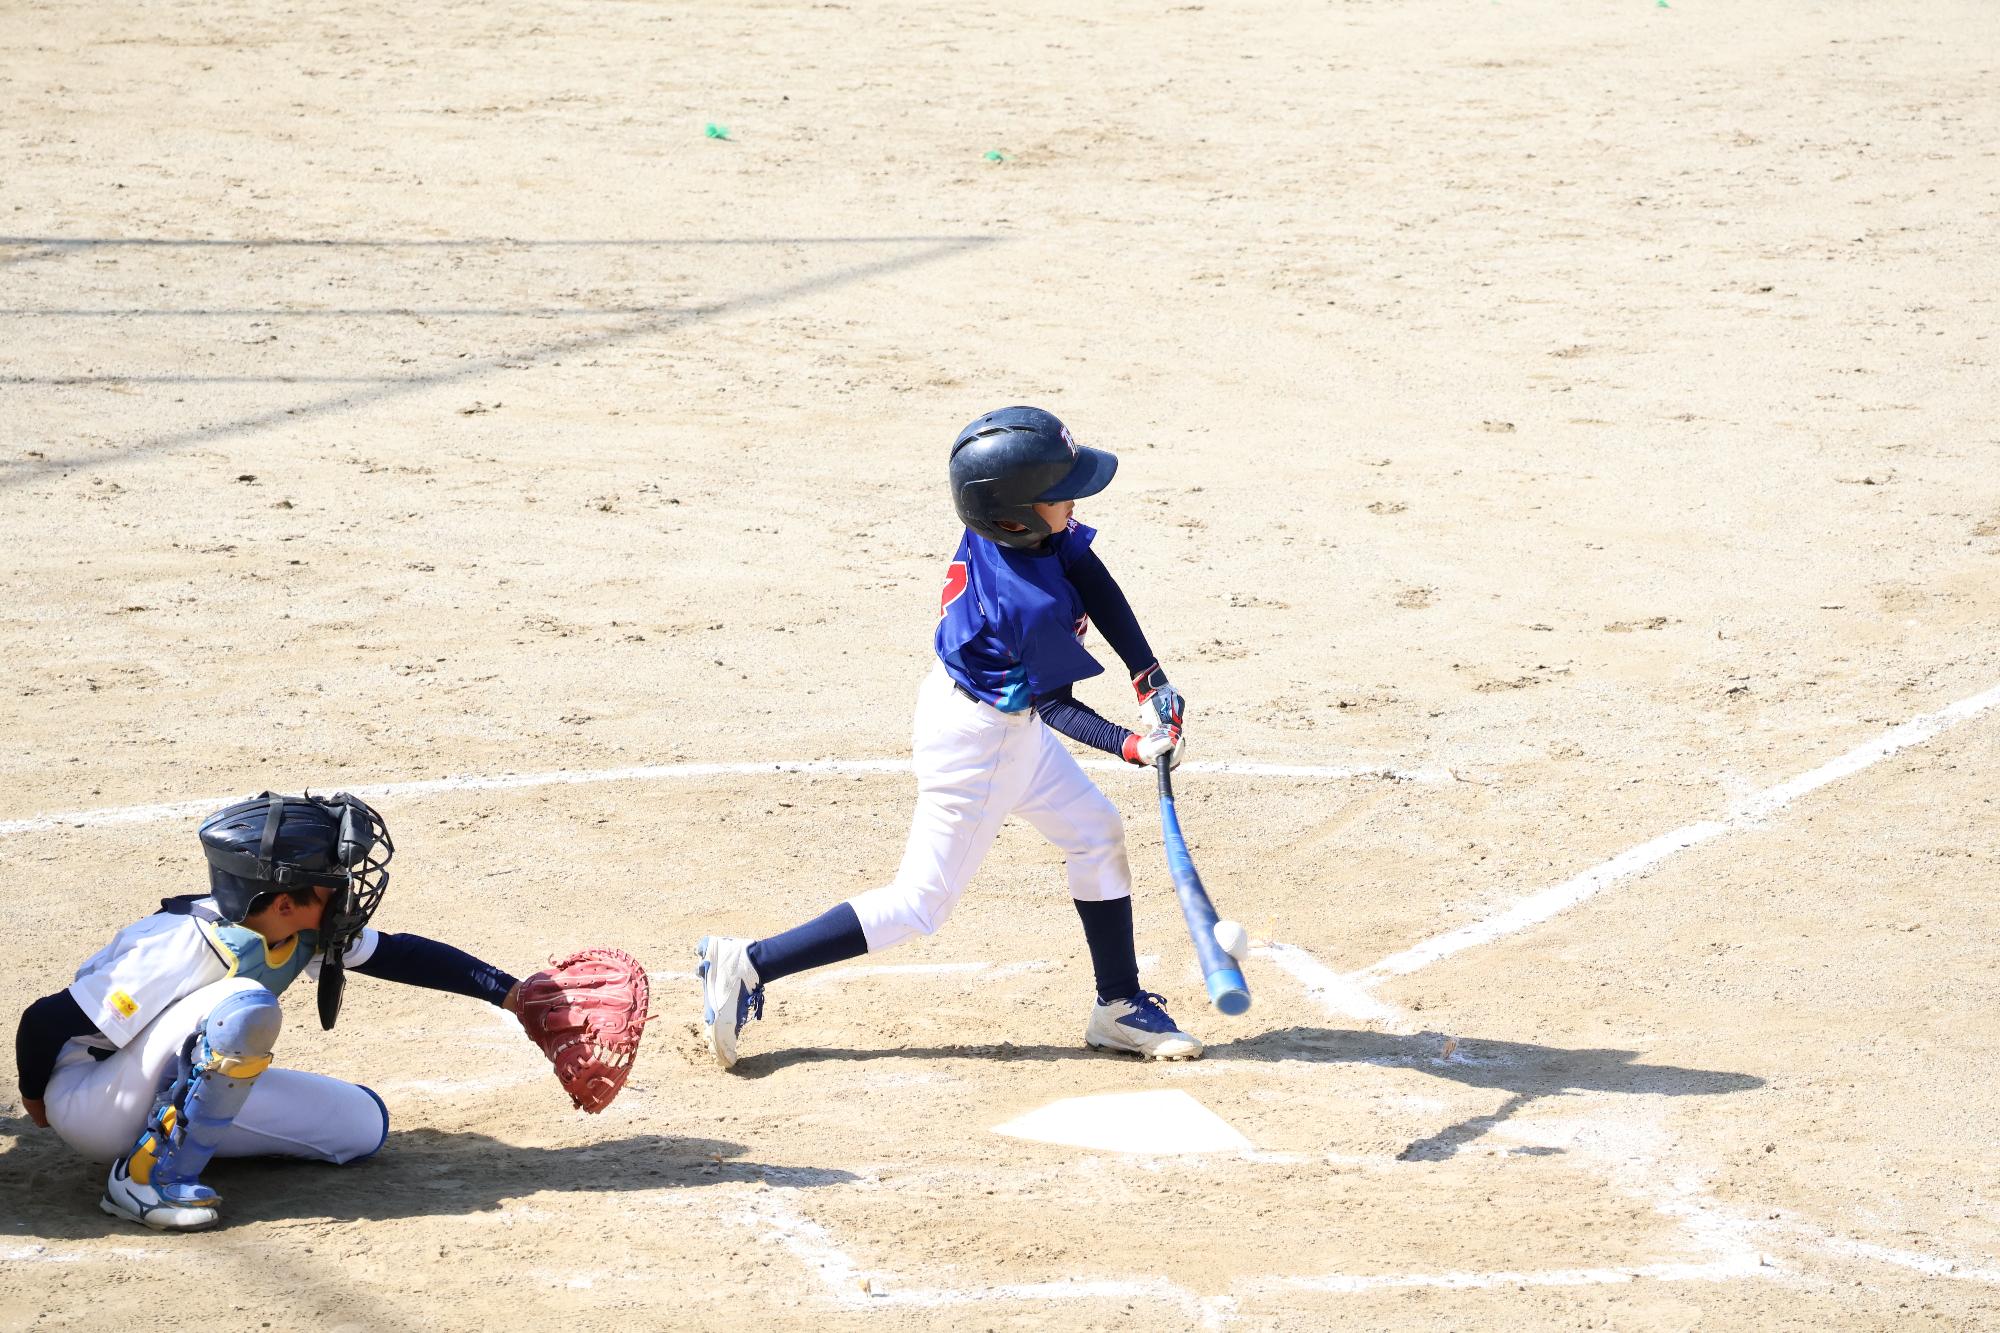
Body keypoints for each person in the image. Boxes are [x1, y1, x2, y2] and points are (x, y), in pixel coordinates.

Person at [697, 405, 1198, 1068]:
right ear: (1015, 512)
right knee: (919, 904)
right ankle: (748, 965)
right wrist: (1135, 746)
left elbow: (1089, 573)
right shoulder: (1027, 602)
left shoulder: (1020, 534)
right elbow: (1055, 707)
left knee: (1096, 832)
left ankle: (1118, 1005)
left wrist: (1147, 675)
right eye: (1059, 491)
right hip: (982, 745)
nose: (1072, 498)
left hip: (991, 718)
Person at [13, 791, 527, 1231]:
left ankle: (183, 1135)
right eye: (332, 880)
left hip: (158, 1083)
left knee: (361, 1127)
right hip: (92, 1098)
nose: (347, 890)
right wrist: (38, 1101)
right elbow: (44, 1020)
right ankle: (148, 1179)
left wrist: (512, 993)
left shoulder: (288, 929)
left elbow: (399, 954)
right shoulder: (176, 944)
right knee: (243, 1006)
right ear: (283, 902)